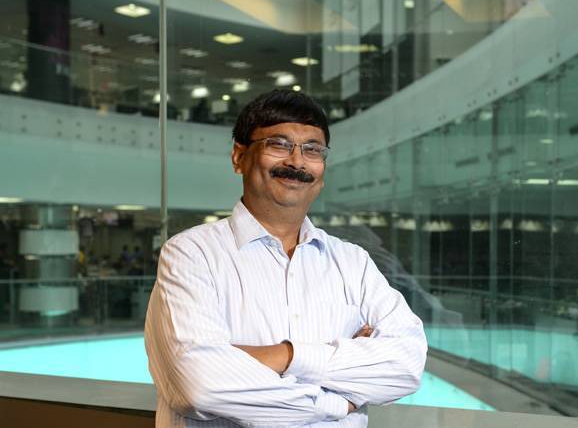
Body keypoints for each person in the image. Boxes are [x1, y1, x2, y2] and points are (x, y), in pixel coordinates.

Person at [144, 89, 427, 428]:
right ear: (239, 157)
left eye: (312, 149)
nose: (296, 162)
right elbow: (201, 386)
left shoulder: (354, 262)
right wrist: (338, 401)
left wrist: (285, 356)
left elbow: (407, 366)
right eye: (278, 144)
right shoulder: (191, 254)